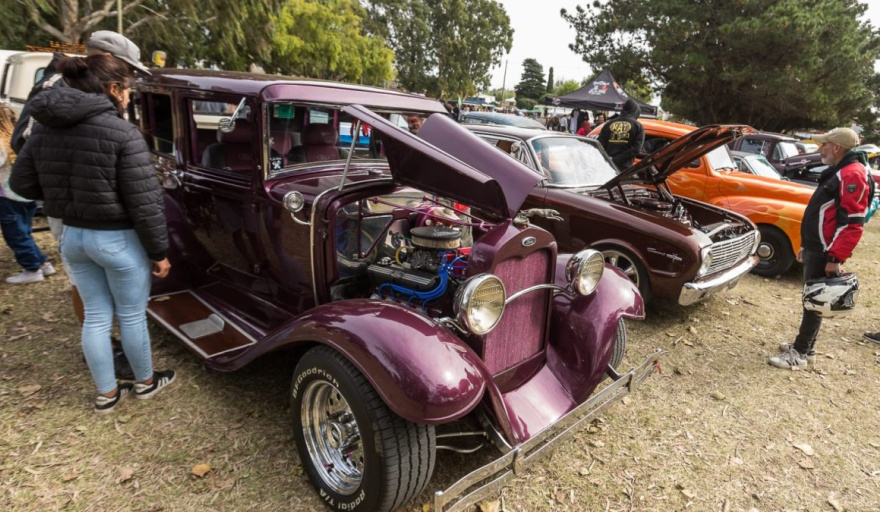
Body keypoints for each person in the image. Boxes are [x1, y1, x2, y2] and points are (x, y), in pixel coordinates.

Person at [10, 53, 175, 413]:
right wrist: (158, 253)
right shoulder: (122, 133)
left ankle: (107, 394)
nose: (128, 97)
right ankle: (146, 382)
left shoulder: (45, 127)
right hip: (117, 239)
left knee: (96, 316)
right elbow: (144, 203)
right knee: (131, 315)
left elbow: (20, 183)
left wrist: (59, 193)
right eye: (127, 90)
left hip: (72, 236)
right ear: (113, 89)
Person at [769, 127, 872, 369]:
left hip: (826, 249)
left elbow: (852, 223)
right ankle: (807, 348)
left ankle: (800, 353)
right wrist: (806, 244)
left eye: (824, 144)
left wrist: (835, 257)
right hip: (818, 246)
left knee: (814, 301)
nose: (820, 148)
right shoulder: (841, 170)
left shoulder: (852, 174)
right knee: (813, 299)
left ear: (837, 147)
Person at [0, 104, 55, 284]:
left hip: (8, 197)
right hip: (26, 195)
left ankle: (32, 269)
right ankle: (42, 263)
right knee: (24, 233)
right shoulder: (17, 139)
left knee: (16, 235)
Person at [597, 99, 644, 169]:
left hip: (607, 166)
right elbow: (636, 149)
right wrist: (616, 159)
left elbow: (599, 144)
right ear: (635, 111)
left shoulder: (608, 124)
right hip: (624, 168)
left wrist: (609, 158)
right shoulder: (638, 126)